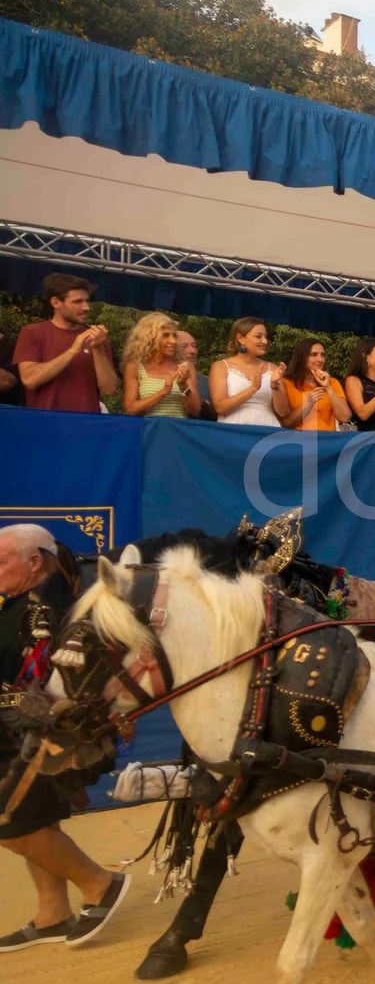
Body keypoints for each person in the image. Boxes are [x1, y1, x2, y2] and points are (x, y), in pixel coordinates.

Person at [0, 525, 131, 951]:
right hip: (17, 733)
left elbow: (51, 682)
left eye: (2, 561)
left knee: (11, 822)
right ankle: (53, 913)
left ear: (34, 561)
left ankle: (100, 884)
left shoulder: (45, 607)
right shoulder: (24, 601)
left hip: (38, 737)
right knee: (37, 823)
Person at [12, 273, 118, 413]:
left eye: (87, 301)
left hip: (86, 425)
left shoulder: (96, 338)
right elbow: (30, 380)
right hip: (44, 424)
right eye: (77, 302)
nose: (86, 307)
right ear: (56, 303)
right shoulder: (33, 333)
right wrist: (72, 351)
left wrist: (97, 349)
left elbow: (109, 389)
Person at [120, 313, 200, 419]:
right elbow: (131, 409)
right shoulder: (135, 366)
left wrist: (183, 386)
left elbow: (195, 410)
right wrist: (163, 392)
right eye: (165, 335)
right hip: (149, 431)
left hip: (177, 431)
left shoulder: (185, 366)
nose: (173, 341)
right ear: (149, 337)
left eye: (174, 335)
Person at [209, 317, 286, 427]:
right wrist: (253, 388)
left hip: (266, 429)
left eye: (265, 337)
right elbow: (220, 408)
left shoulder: (273, 368)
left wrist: (275, 386)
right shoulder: (220, 366)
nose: (265, 341)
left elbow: (283, 412)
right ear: (240, 338)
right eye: (258, 336)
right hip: (233, 429)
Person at [280, 338, 353, 432]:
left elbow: (345, 418)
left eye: (322, 355)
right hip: (298, 440)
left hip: (326, 440)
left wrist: (328, 388)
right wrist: (308, 403)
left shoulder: (333, 382)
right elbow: (286, 423)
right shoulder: (287, 383)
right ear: (302, 357)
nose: (320, 359)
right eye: (314, 355)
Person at [174, 331, 215, 421]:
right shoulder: (157, 380)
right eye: (184, 346)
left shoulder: (208, 382)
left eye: (194, 346)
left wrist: (203, 404)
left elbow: (217, 418)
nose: (193, 351)